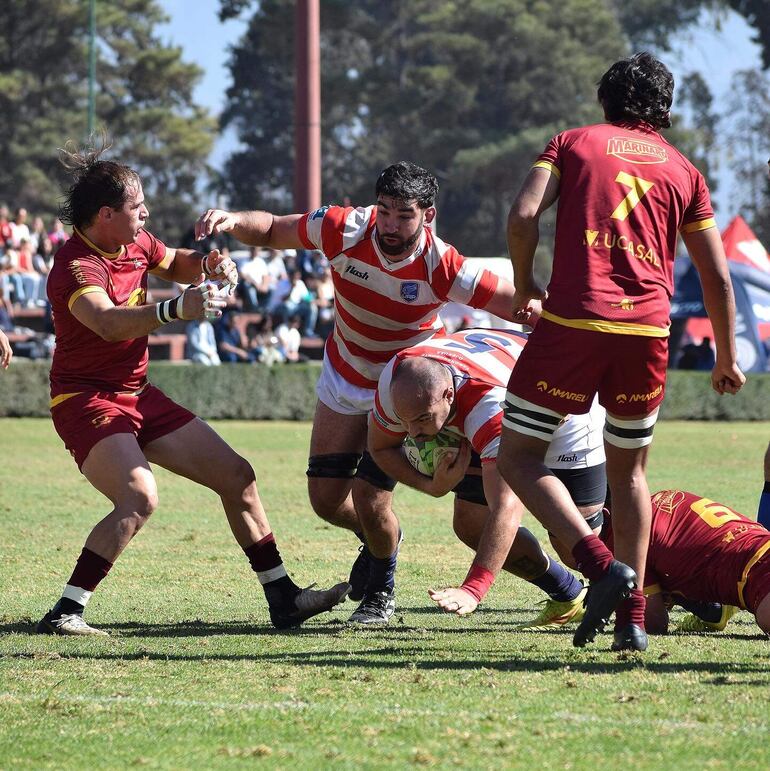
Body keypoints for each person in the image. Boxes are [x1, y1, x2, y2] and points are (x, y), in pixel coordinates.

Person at [36, 140, 348, 636]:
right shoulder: (75, 264)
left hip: (138, 394)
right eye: (138, 207)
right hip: (86, 400)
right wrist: (175, 309)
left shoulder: (134, 241)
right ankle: (66, 612)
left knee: (237, 475)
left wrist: (209, 264)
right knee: (139, 497)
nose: (146, 214)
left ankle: (284, 600)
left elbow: (175, 261)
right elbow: (108, 323)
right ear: (106, 215)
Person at [195, 161, 527, 620]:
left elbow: (521, 306)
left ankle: (380, 592)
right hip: (344, 372)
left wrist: (576, 325)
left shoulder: (445, 265)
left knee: (371, 498)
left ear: (428, 215)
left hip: (404, 388)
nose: (390, 225)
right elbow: (271, 229)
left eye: (404, 216)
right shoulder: (342, 228)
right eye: (384, 211)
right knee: (326, 500)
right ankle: (383, 540)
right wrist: (233, 220)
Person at [497, 52, 745, 653]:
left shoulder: (571, 143)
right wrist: (726, 357)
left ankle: (601, 565)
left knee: (519, 458)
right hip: (647, 334)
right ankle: (633, 617)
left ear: (604, 100)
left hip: (573, 322)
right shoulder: (685, 172)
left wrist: (526, 283)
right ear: (664, 110)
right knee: (629, 473)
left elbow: (523, 215)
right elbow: (717, 277)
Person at [365, 327, 606, 624]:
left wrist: (473, 589)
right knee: (471, 522)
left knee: (575, 547)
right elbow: (381, 447)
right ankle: (569, 594)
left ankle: (649, 578)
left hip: (565, 410)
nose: (413, 433)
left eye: (423, 419)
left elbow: (507, 507)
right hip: (505, 388)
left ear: (448, 395)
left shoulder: (489, 408)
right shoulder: (397, 383)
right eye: (406, 421)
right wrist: (431, 486)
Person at [601, 489, 770, 636]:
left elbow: (653, 622)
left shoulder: (624, 540)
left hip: (757, 572)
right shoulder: (665, 496)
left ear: (604, 513)